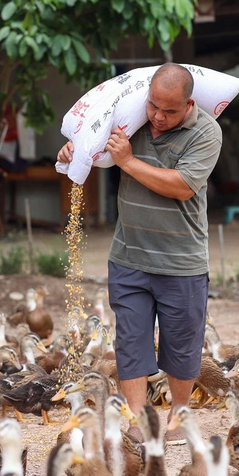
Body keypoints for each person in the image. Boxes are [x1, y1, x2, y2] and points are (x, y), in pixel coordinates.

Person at [57, 63, 222, 444]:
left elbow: (182, 186)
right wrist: (74, 148)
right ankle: (137, 420)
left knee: (181, 344)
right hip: (129, 255)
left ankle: (178, 419)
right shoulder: (131, 122)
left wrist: (129, 161)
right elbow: (95, 147)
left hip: (181, 261)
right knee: (130, 342)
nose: (159, 118)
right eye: (153, 107)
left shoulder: (207, 132)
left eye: (169, 111)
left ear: (189, 104)